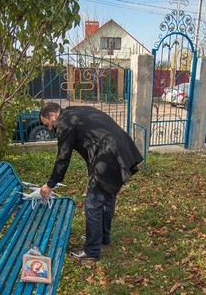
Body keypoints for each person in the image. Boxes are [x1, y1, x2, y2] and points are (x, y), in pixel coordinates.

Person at [39, 102, 143, 260]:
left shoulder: (64, 122)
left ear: (52, 115)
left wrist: (50, 184)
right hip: (120, 148)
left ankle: (92, 250)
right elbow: (92, 143)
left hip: (107, 154)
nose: (49, 128)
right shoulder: (75, 111)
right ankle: (102, 237)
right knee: (107, 197)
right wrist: (92, 177)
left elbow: (63, 158)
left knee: (93, 205)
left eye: (47, 124)